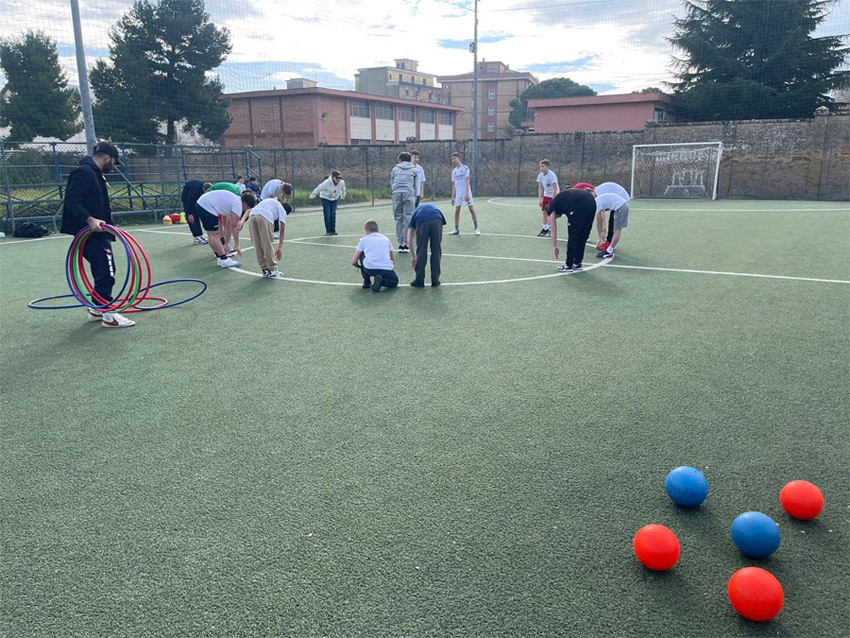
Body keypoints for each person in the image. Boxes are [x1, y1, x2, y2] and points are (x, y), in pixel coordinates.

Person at [60, 141, 135, 328]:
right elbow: (71, 200)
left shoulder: (94, 173)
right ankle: (109, 315)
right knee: (106, 272)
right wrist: (90, 219)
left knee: (103, 269)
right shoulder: (84, 172)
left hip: (98, 232)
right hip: (91, 233)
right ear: (107, 158)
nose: (114, 167)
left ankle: (96, 308)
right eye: (114, 163)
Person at [195, 189, 254, 268]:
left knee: (211, 234)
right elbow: (234, 227)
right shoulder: (238, 205)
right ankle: (224, 259)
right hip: (206, 206)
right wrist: (237, 244)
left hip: (202, 204)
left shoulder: (233, 202)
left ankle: (219, 257)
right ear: (246, 205)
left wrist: (226, 243)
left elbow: (228, 226)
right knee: (214, 234)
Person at [237, 198, 291, 279]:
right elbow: (282, 230)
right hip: (265, 217)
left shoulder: (270, 202)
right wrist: (279, 248)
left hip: (252, 216)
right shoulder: (282, 209)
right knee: (267, 244)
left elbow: (248, 211)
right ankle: (272, 269)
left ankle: (265, 269)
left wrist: (241, 222)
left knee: (257, 244)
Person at [546, 187, 597, 273]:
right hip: (592, 203)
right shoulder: (560, 201)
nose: (557, 218)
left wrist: (554, 246)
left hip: (579, 204)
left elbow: (553, 228)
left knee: (573, 237)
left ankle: (568, 265)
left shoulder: (551, 207)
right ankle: (577, 263)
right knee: (583, 236)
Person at [351, 220, 398, 292]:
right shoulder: (386, 239)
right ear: (378, 230)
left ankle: (367, 281)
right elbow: (391, 258)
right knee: (394, 282)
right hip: (386, 268)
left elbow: (353, 261)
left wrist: (361, 267)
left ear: (366, 232)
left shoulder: (363, 240)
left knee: (362, 254)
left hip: (370, 268)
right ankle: (381, 281)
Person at [406, 203, 446, 288]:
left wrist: (413, 256)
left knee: (421, 250)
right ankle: (435, 280)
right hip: (437, 219)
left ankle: (419, 281)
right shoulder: (430, 208)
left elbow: (409, 239)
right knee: (436, 250)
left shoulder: (414, 217)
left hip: (422, 221)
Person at [590, 181, 631, 258]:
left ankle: (609, 250)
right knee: (615, 228)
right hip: (620, 204)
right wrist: (602, 230)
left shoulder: (596, 201)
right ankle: (609, 248)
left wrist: (601, 234)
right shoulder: (597, 197)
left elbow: (598, 219)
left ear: (592, 192)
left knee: (617, 229)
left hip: (621, 205)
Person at [390, 152, 419, 253]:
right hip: (409, 193)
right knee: (408, 217)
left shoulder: (395, 169)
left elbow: (392, 182)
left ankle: (400, 243)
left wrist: (394, 193)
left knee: (398, 218)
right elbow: (415, 186)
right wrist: (414, 198)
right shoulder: (414, 170)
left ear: (400, 160)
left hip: (397, 193)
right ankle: (406, 244)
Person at [207, 181, 243, 254]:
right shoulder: (234, 198)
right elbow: (232, 226)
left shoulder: (234, 195)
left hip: (220, 200)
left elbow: (232, 226)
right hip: (211, 204)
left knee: (224, 224)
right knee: (215, 229)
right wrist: (236, 244)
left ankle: (224, 244)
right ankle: (221, 248)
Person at [448, 152, 479, 235]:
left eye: (454, 158)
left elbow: (467, 181)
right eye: (452, 159)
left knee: (471, 209)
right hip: (458, 194)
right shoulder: (454, 171)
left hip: (466, 193)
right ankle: (456, 229)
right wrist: (452, 197)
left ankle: (476, 228)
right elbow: (453, 185)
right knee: (457, 211)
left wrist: (466, 194)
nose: (453, 160)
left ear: (458, 158)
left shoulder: (465, 168)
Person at [309, 170, 346, 235]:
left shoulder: (342, 183)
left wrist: (343, 196)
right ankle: (328, 230)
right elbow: (318, 188)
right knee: (327, 213)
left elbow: (343, 190)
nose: (338, 179)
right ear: (333, 177)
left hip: (334, 198)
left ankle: (333, 230)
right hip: (325, 198)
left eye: (340, 178)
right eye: (337, 178)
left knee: (333, 214)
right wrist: (312, 196)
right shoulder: (326, 183)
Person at [180, 179, 212, 245]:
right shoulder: (195, 191)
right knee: (192, 220)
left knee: (197, 217)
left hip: (195, 202)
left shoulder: (205, 186)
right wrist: (189, 213)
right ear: (203, 189)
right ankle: (196, 237)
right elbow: (188, 201)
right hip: (187, 201)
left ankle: (200, 235)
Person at [536, 159, 559, 237]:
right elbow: (540, 188)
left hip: (553, 196)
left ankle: (549, 229)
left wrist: (554, 199)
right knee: (544, 212)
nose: (541, 168)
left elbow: (555, 188)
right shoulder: (540, 175)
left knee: (551, 214)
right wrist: (540, 199)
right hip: (546, 195)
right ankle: (544, 229)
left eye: (543, 166)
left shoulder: (552, 175)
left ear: (548, 166)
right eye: (540, 166)